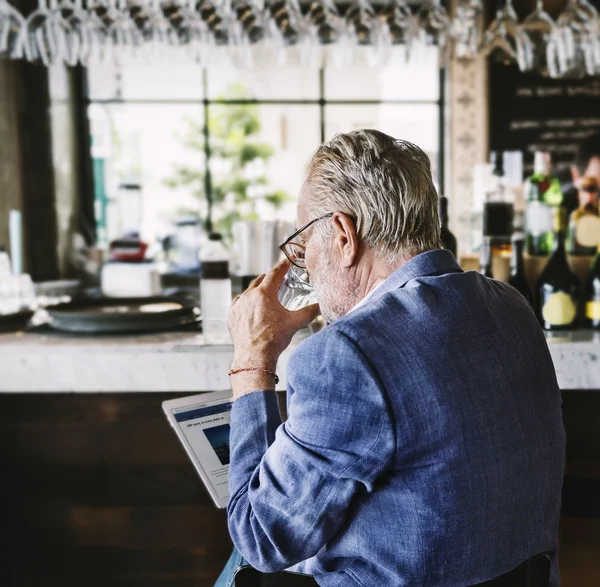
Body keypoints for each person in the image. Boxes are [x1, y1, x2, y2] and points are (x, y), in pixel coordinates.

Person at [220, 130, 565, 587]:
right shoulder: (510, 306)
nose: (308, 268)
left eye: (305, 248)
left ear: (344, 235)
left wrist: (253, 358)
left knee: (238, 565)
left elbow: (261, 536)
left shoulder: (345, 355)